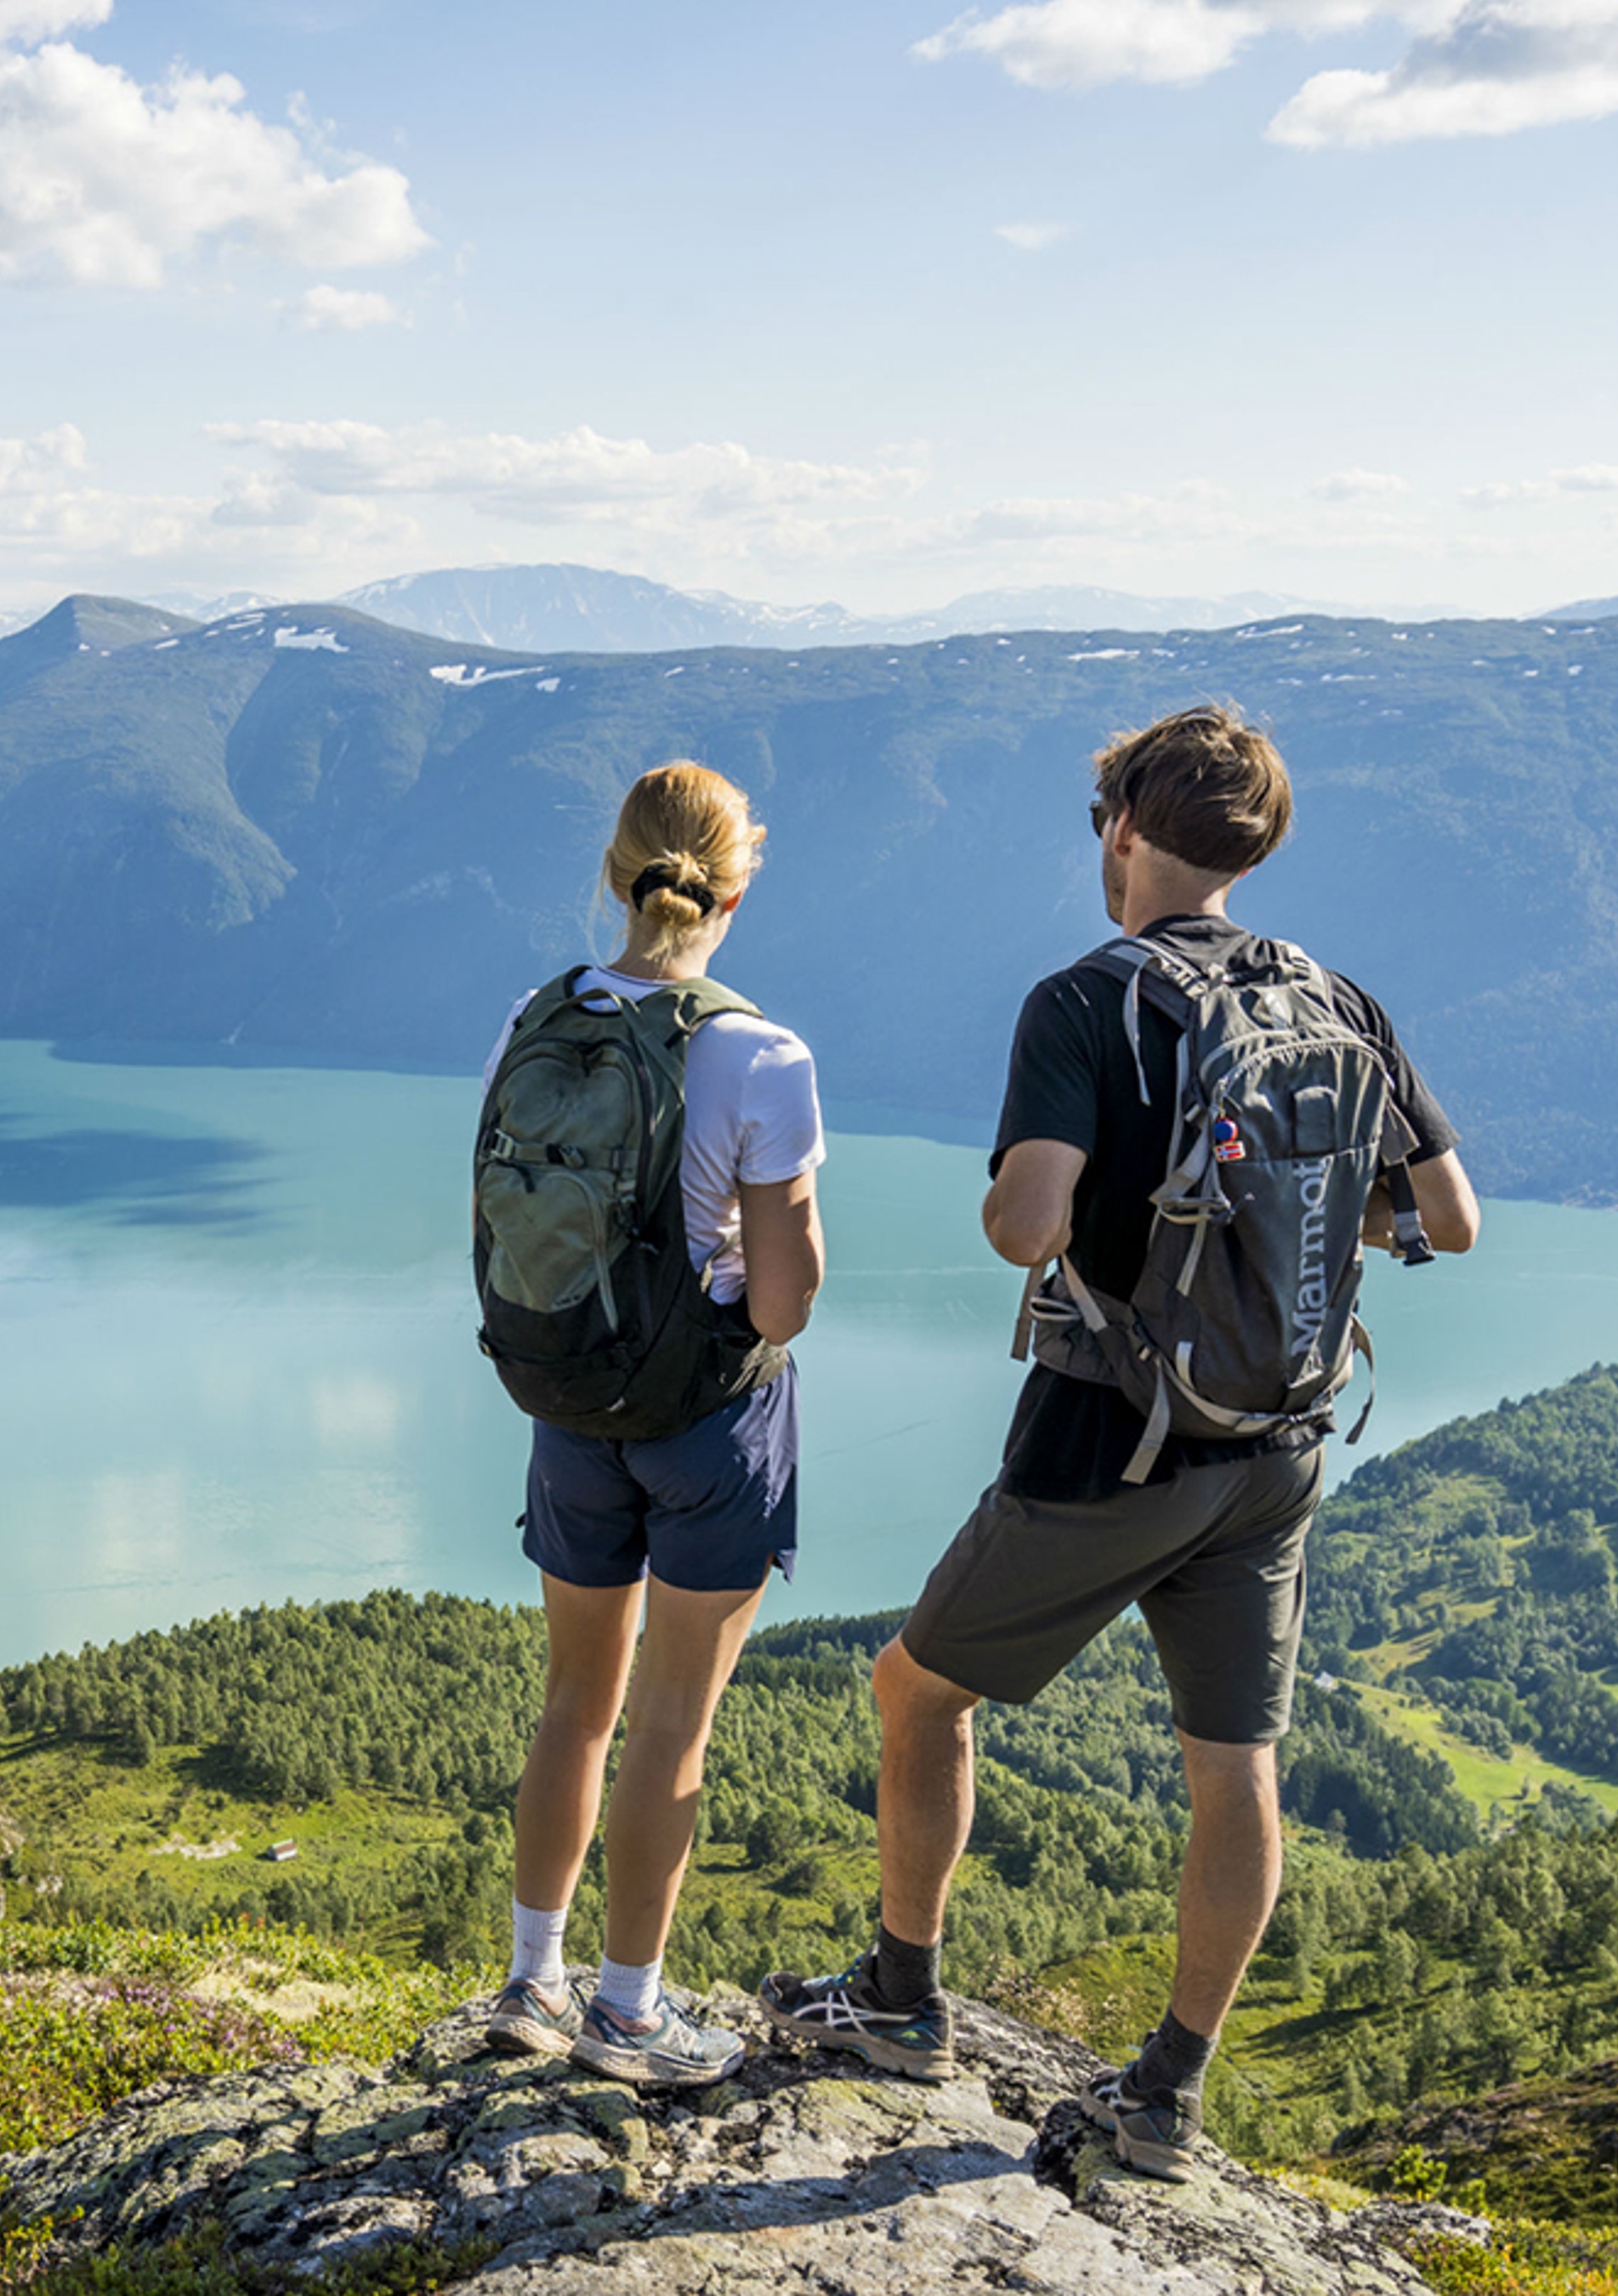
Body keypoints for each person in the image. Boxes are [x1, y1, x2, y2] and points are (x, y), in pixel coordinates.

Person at [758, 703, 1477, 2174]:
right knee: (1236, 1767)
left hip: (1111, 1442)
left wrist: (1050, 1206)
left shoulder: (1088, 1002)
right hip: (1278, 1443)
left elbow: (1027, 1221)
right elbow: (1450, 1221)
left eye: (1103, 824)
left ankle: (902, 2002)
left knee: (919, 1689)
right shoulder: (1339, 999)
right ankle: (1167, 2095)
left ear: (1125, 831)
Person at [474, 761, 826, 2088]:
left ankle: (531, 1981)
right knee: (673, 1717)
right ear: (735, 886)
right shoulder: (757, 1051)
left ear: (618, 876)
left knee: (574, 1700)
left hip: (565, 1404)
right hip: (705, 1427)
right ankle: (629, 2012)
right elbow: (782, 1304)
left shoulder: (537, 1013)